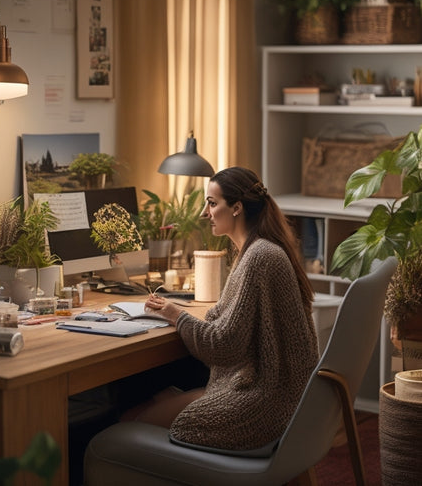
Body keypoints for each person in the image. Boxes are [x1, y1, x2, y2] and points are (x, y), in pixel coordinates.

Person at [128, 166, 319, 452]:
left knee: (128, 419)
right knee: (154, 393)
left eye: (212, 203)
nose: (205, 213)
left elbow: (225, 345)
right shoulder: (257, 250)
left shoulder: (259, 256)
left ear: (237, 208)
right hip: (279, 396)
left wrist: (173, 313)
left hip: (262, 403)